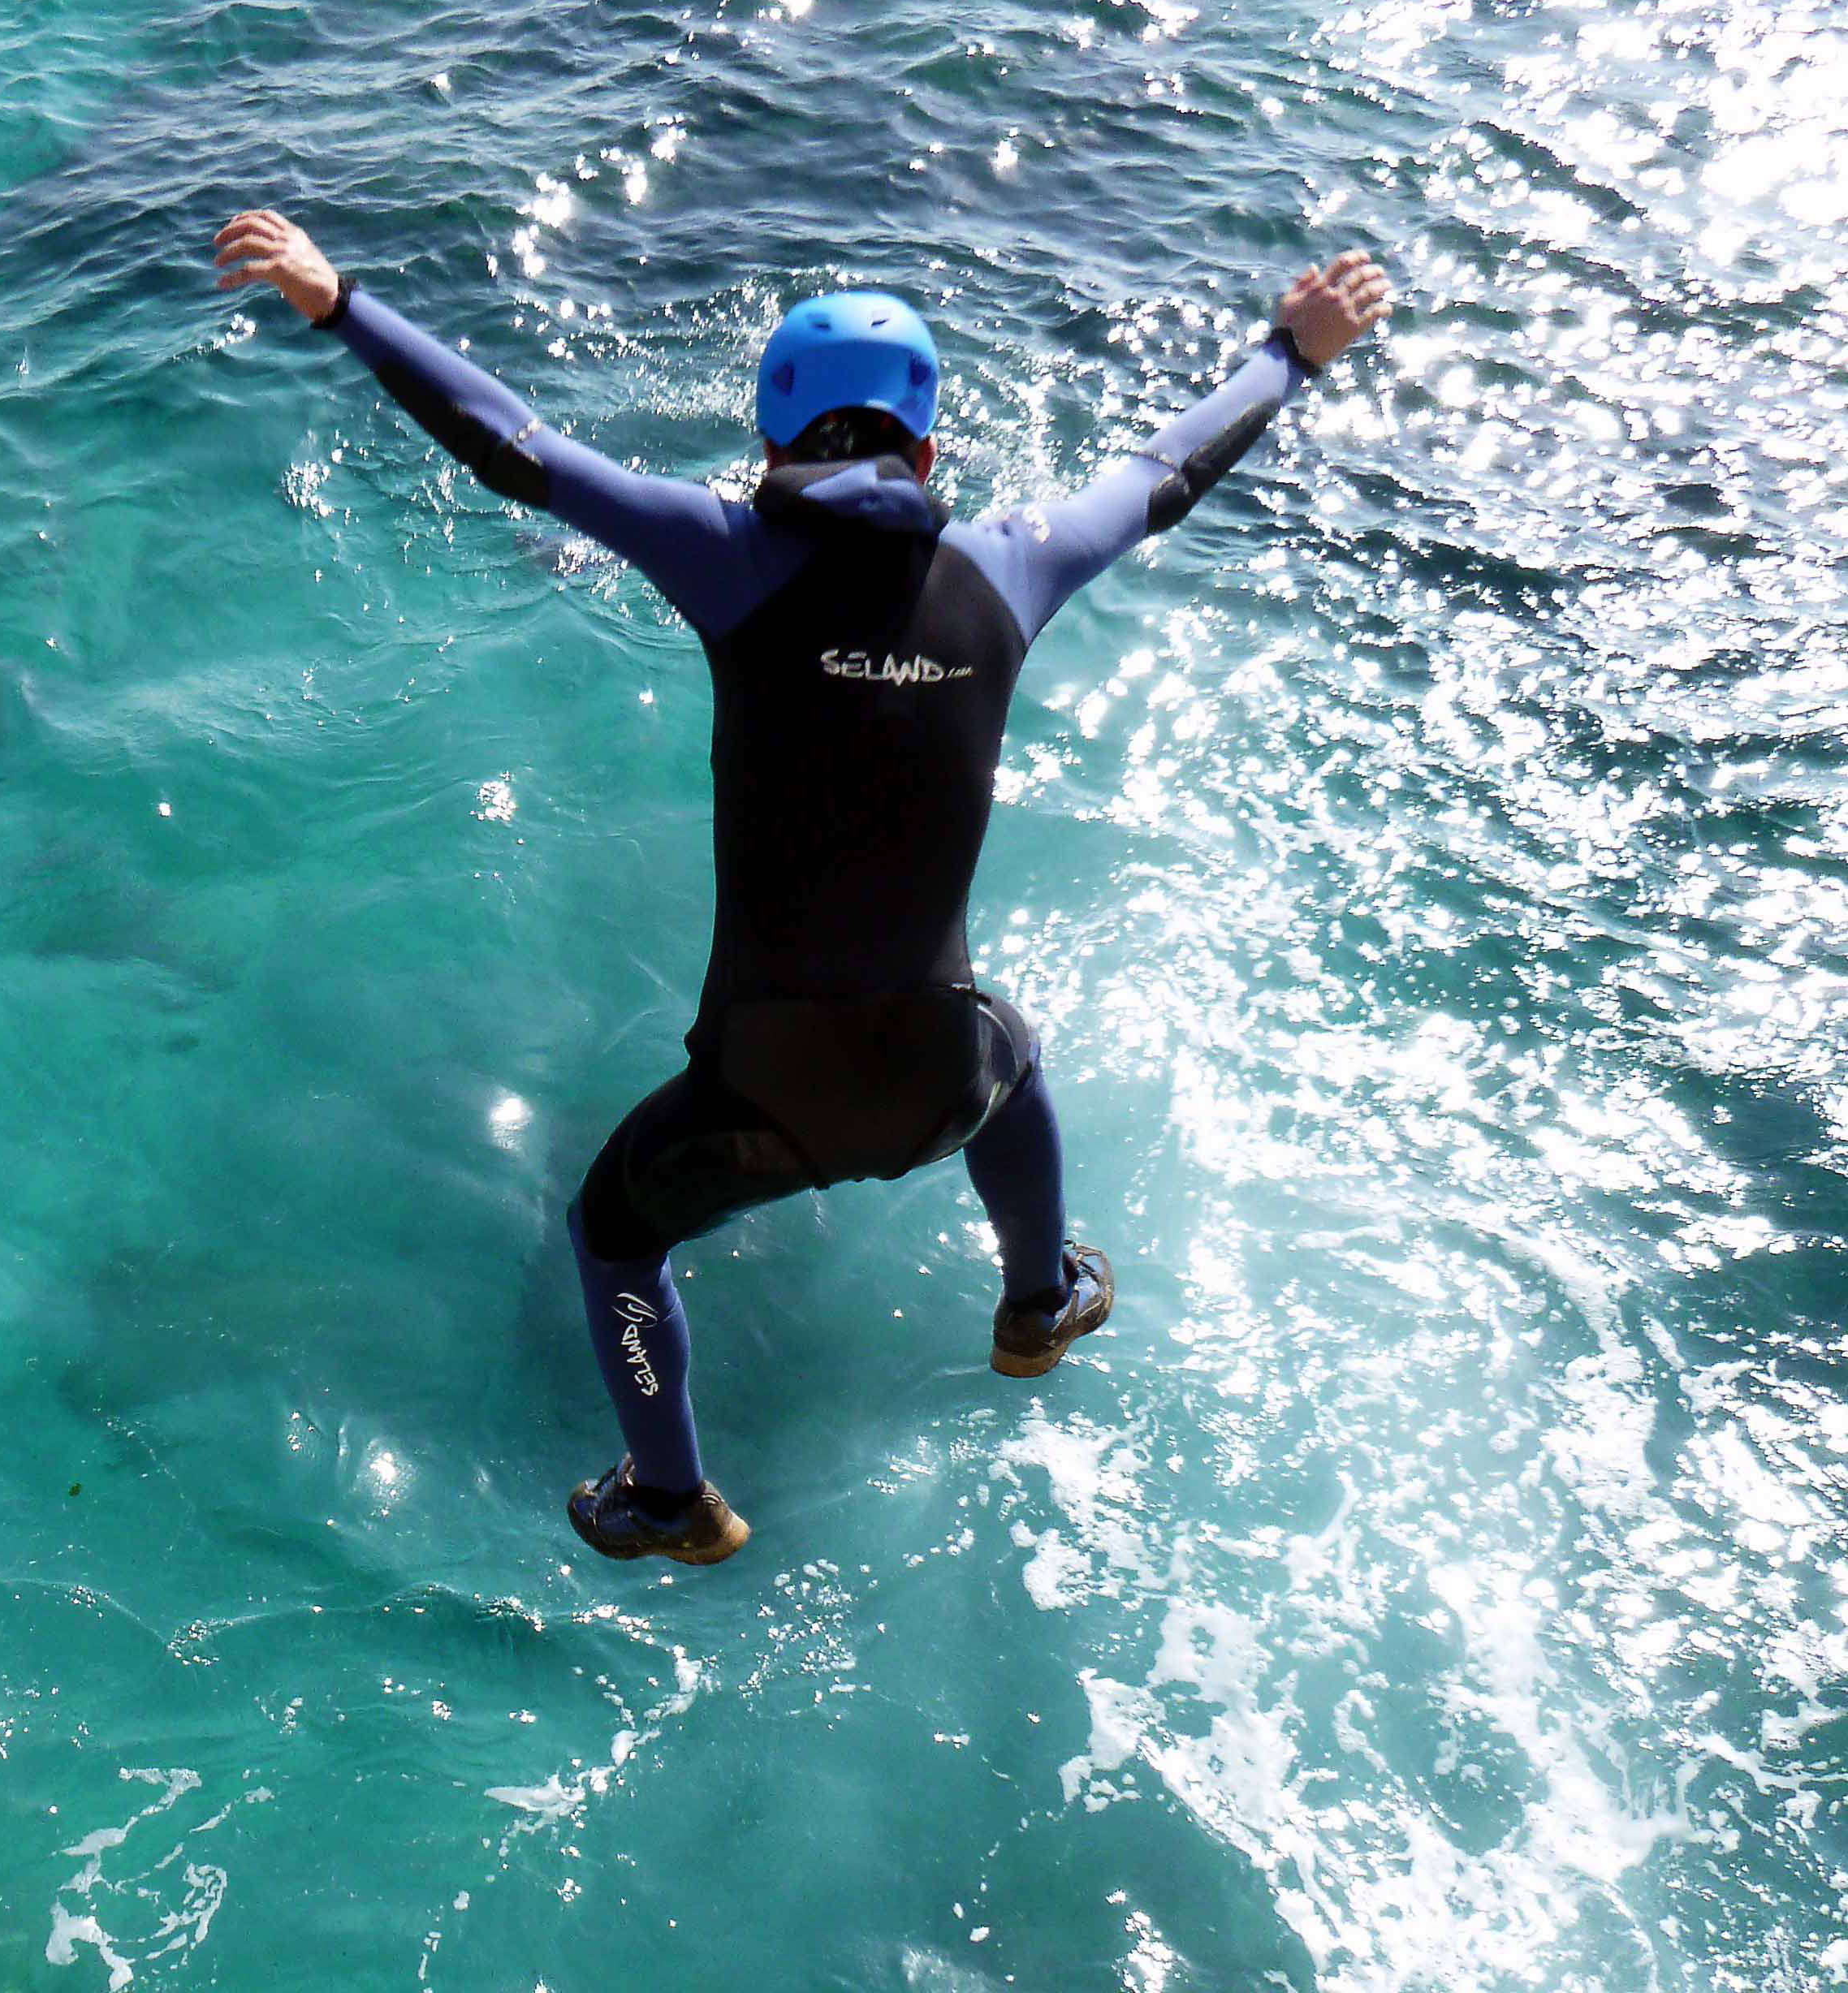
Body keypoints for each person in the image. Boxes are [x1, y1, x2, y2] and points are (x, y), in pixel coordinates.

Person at [214, 208, 1391, 1565]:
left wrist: (342, 301)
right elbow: (1169, 469)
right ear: (930, 450)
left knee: (613, 1239)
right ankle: (1039, 1301)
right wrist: (1290, 356)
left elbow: (512, 445)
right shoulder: (1015, 565)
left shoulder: (724, 554)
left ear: (771, 445)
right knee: (1009, 1046)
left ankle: (672, 1498)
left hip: (754, 1107)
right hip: (941, 1076)